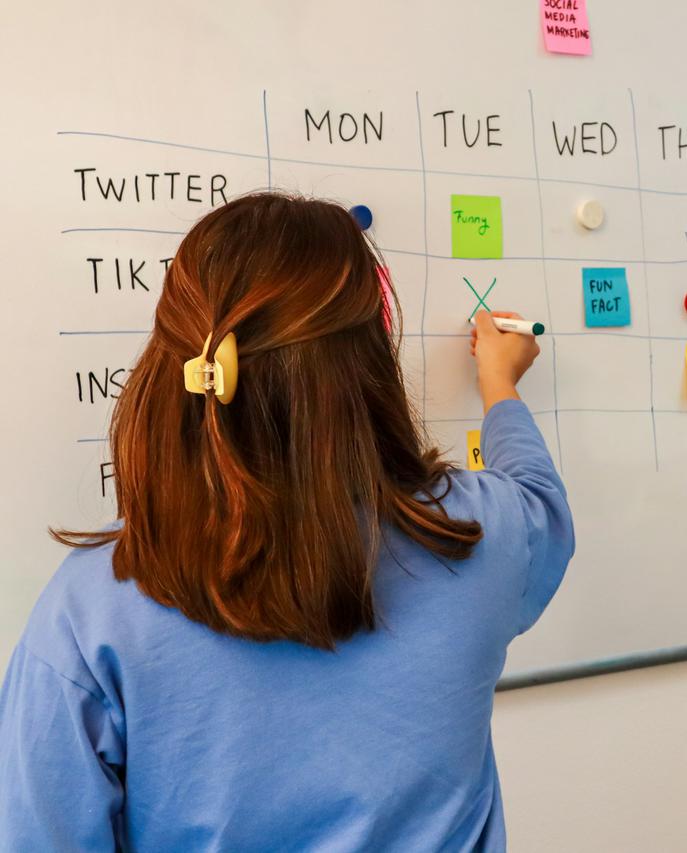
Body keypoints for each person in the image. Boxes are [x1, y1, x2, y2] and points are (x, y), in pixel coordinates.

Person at [0, 193, 573, 850]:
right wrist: (501, 385)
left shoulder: (92, 609)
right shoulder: (478, 536)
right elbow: (541, 500)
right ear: (367, 363)